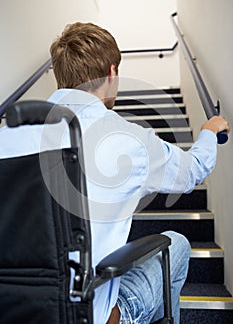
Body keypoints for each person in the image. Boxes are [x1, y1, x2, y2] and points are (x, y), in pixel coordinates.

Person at [0, 22, 230, 324]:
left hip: (13, 310)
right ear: (111, 73)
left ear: (60, 77)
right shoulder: (126, 138)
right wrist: (208, 132)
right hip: (85, 315)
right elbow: (191, 173)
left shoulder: (6, 135)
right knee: (177, 243)